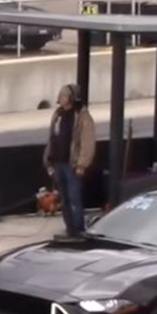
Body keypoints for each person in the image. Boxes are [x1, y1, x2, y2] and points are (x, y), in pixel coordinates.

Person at [43, 83, 96, 239]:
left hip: (72, 165)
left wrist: (82, 164)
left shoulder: (82, 116)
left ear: (72, 97)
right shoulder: (58, 114)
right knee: (64, 199)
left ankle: (78, 230)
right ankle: (70, 228)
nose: (61, 97)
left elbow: (88, 141)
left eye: (64, 95)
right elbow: (52, 137)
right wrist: (48, 160)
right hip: (58, 163)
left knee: (74, 198)